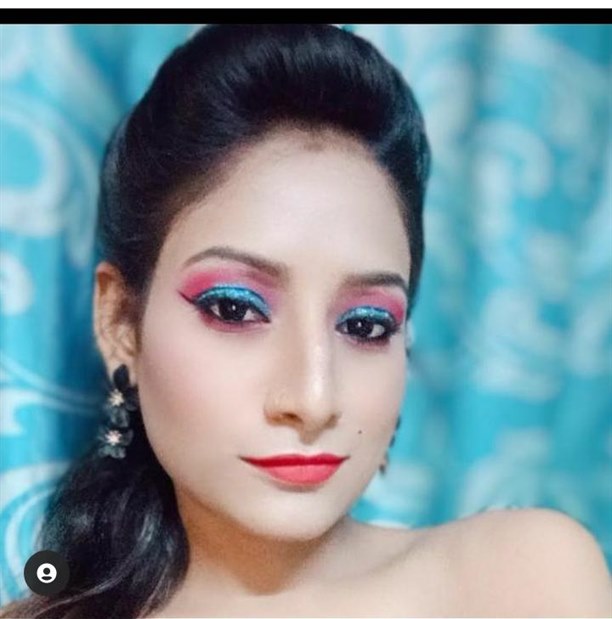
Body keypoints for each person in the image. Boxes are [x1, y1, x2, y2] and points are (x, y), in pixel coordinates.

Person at [1, 24, 610, 619]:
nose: (314, 400)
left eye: (366, 325)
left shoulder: (520, 579)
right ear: (120, 323)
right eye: (235, 309)